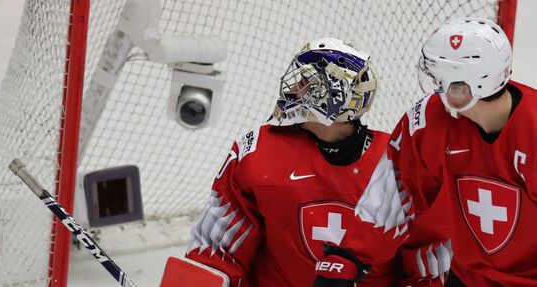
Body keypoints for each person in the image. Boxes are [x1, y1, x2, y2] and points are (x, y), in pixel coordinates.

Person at [185, 38, 424, 286]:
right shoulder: (258, 150)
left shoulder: (400, 160)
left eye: (306, 82)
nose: (293, 88)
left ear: (335, 96)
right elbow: (215, 250)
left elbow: (427, 255)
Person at [388, 17, 537, 286]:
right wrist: (346, 258)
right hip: (467, 276)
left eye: (441, 83)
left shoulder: (533, 131)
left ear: (466, 88)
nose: (436, 91)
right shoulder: (433, 120)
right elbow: (392, 197)